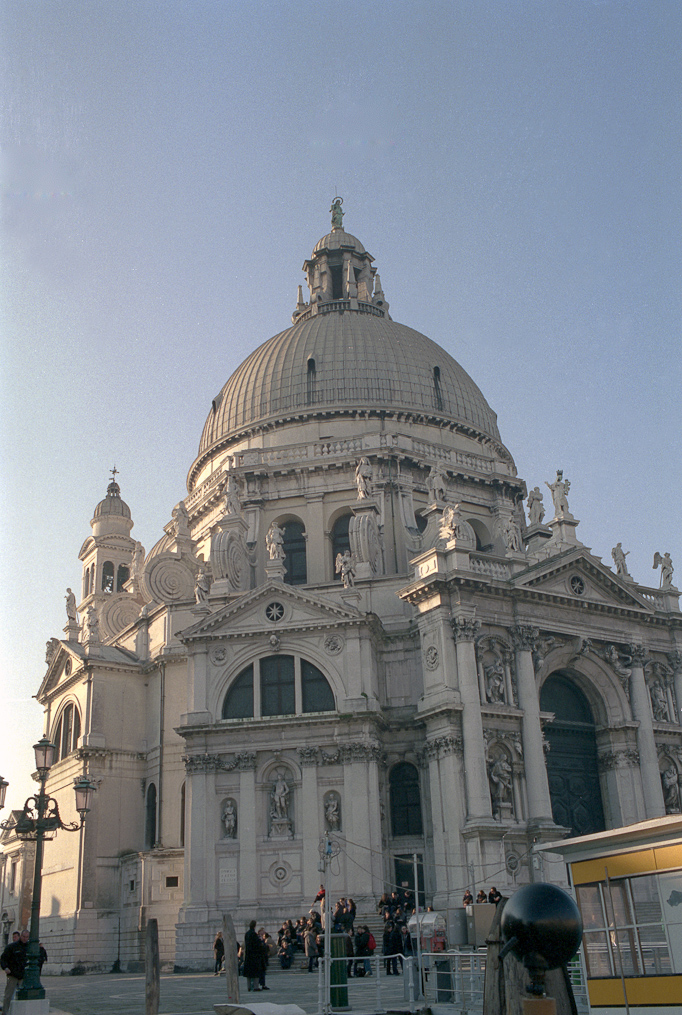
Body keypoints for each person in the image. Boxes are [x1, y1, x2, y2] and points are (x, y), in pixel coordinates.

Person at [1, 928, 29, 1014]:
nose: (25, 938)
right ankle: (5, 1012)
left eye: (27, 937)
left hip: (23, 975)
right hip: (12, 974)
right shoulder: (11, 947)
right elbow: (3, 958)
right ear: (21, 936)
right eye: (23, 936)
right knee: (8, 996)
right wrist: (5, 968)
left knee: (23, 995)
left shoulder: (29, 947)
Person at [243, 920, 263, 992]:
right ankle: (255, 987)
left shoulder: (247, 934)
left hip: (248, 955)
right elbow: (257, 945)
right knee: (255, 972)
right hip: (254, 955)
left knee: (249, 973)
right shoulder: (254, 934)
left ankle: (249, 987)